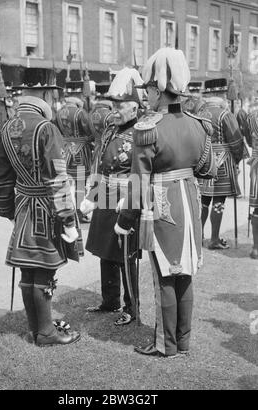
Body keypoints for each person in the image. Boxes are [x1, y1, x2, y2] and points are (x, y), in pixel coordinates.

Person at [114, 47, 217, 357]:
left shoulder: (148, 128)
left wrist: (124, 221)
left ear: (158, 88)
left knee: (165, 276)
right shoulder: (199, 125)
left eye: (148, 89)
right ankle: (182, 342)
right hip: (190, 200)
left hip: (163, 204)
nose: (146, 95)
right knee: (184, 274)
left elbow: (138, 182)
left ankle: (166, 345)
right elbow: (207, 169)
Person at [0, 68, 81, 346]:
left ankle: (36, 327)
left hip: (23, 207)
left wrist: (8, 211)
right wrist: (68, 219)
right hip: (46, 208)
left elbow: (0, 178)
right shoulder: (46, 128)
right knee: (45, 269)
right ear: (44, 93)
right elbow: (58, 178)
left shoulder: (7, 128)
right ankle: (46, 332)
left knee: (29, 271)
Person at [80, 67, 144, 325]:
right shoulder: (109, 130)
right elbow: (100, 165)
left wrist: (130, 197)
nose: (114, 111)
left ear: (135, 109)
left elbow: (143, 172)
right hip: (105, 194)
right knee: (105, 251)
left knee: (125, 255)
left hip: (124, 199)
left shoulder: (142, 132)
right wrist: (91, 196)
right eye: (114, 105)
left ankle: (131, 307)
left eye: (120, 106)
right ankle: (110, 301)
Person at [199, 78, 245, 249]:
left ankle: (198, 236)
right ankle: (214, 239)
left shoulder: (199, 113)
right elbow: (236, 142)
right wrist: (237, 161)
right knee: (218, 201)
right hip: (222, 163)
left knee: (203, 201)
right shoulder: (225, 114)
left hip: (202, 161)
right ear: (220, 95)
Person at [53, 80, 93, 223]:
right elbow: (90, 132)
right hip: (80, 152)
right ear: (78, 95)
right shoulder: (80, 112)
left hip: (64, 151)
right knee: (80, 184)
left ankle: (62, 211)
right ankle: (79, 212)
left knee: (63, 182)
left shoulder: (58, 113)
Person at [246, 110, 258, 258]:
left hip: (257, 163)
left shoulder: (252, 116)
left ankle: (256, 248)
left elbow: (249, 140)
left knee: (257, 208)